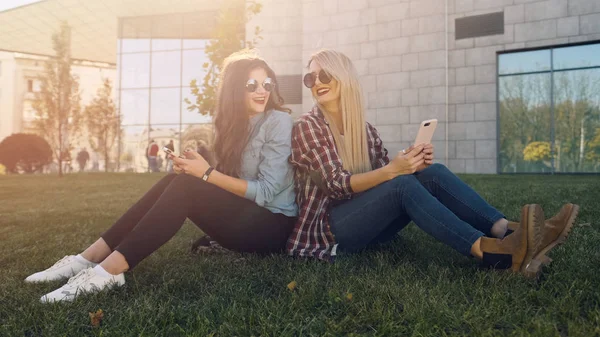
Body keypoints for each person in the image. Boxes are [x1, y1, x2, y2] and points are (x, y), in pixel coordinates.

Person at [25, 49, 298, 302]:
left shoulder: (278, 121)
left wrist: (206, 174)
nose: (262, 91)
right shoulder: (231, 125)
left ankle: (109, 272)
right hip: (244, 219)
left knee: (188, 187)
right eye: (252, 85)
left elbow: (266, 192)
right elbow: (225, 184)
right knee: (179, 181)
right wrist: (198, 169)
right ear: (235, 89)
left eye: (267, 84)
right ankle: (87, 258)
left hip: (271, 227)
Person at [286, 49, 579, 277]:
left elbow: (386, 177)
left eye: (324, 75)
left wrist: (413, 164)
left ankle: (511, 233)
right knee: (400, 185)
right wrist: (394, 171)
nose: (316, 83)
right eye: (310, 78)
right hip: (328, 230)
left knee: (432, 173)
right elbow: (337, 185)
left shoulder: (364, 129)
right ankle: (493, 254)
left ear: (343, 77)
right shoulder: (308, 126)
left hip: (366, 222)